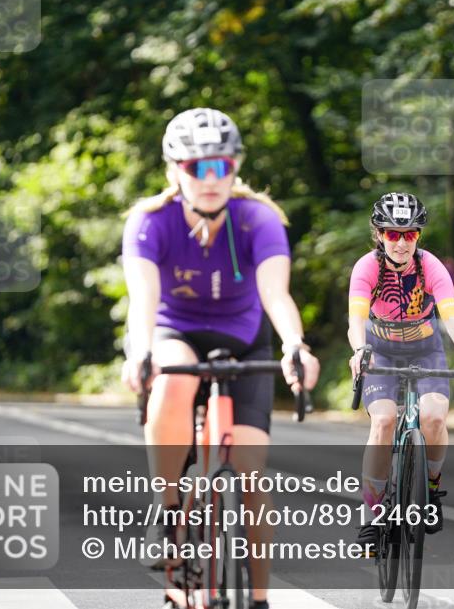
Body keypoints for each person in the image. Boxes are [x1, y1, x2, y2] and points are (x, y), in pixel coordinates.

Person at [121, 108, 319, 609]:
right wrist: (139, 352)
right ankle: (168, 511)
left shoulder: (258, 219)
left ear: (234, 167)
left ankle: (257, 599)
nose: (210, 179)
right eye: (196, 167)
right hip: (176, 331)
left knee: (250, 476)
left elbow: (276, 295)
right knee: (171, 378)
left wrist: (295, 346)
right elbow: (142, 300)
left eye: (221, 166)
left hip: (245, 339)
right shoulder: (149, 221)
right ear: (174, 171)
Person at [347, 192, 454, 547]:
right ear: (379, 234)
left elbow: (452, 317)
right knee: (384, 421)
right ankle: (373, 515)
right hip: (380, 351)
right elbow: (355, 319)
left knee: (435, 417)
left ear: (419, 236)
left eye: (410, 234)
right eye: (393, 233)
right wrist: (359, 349)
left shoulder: (431, 266)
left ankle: (432, 488)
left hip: (426, 349)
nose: (402, 242)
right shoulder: (367, 268)